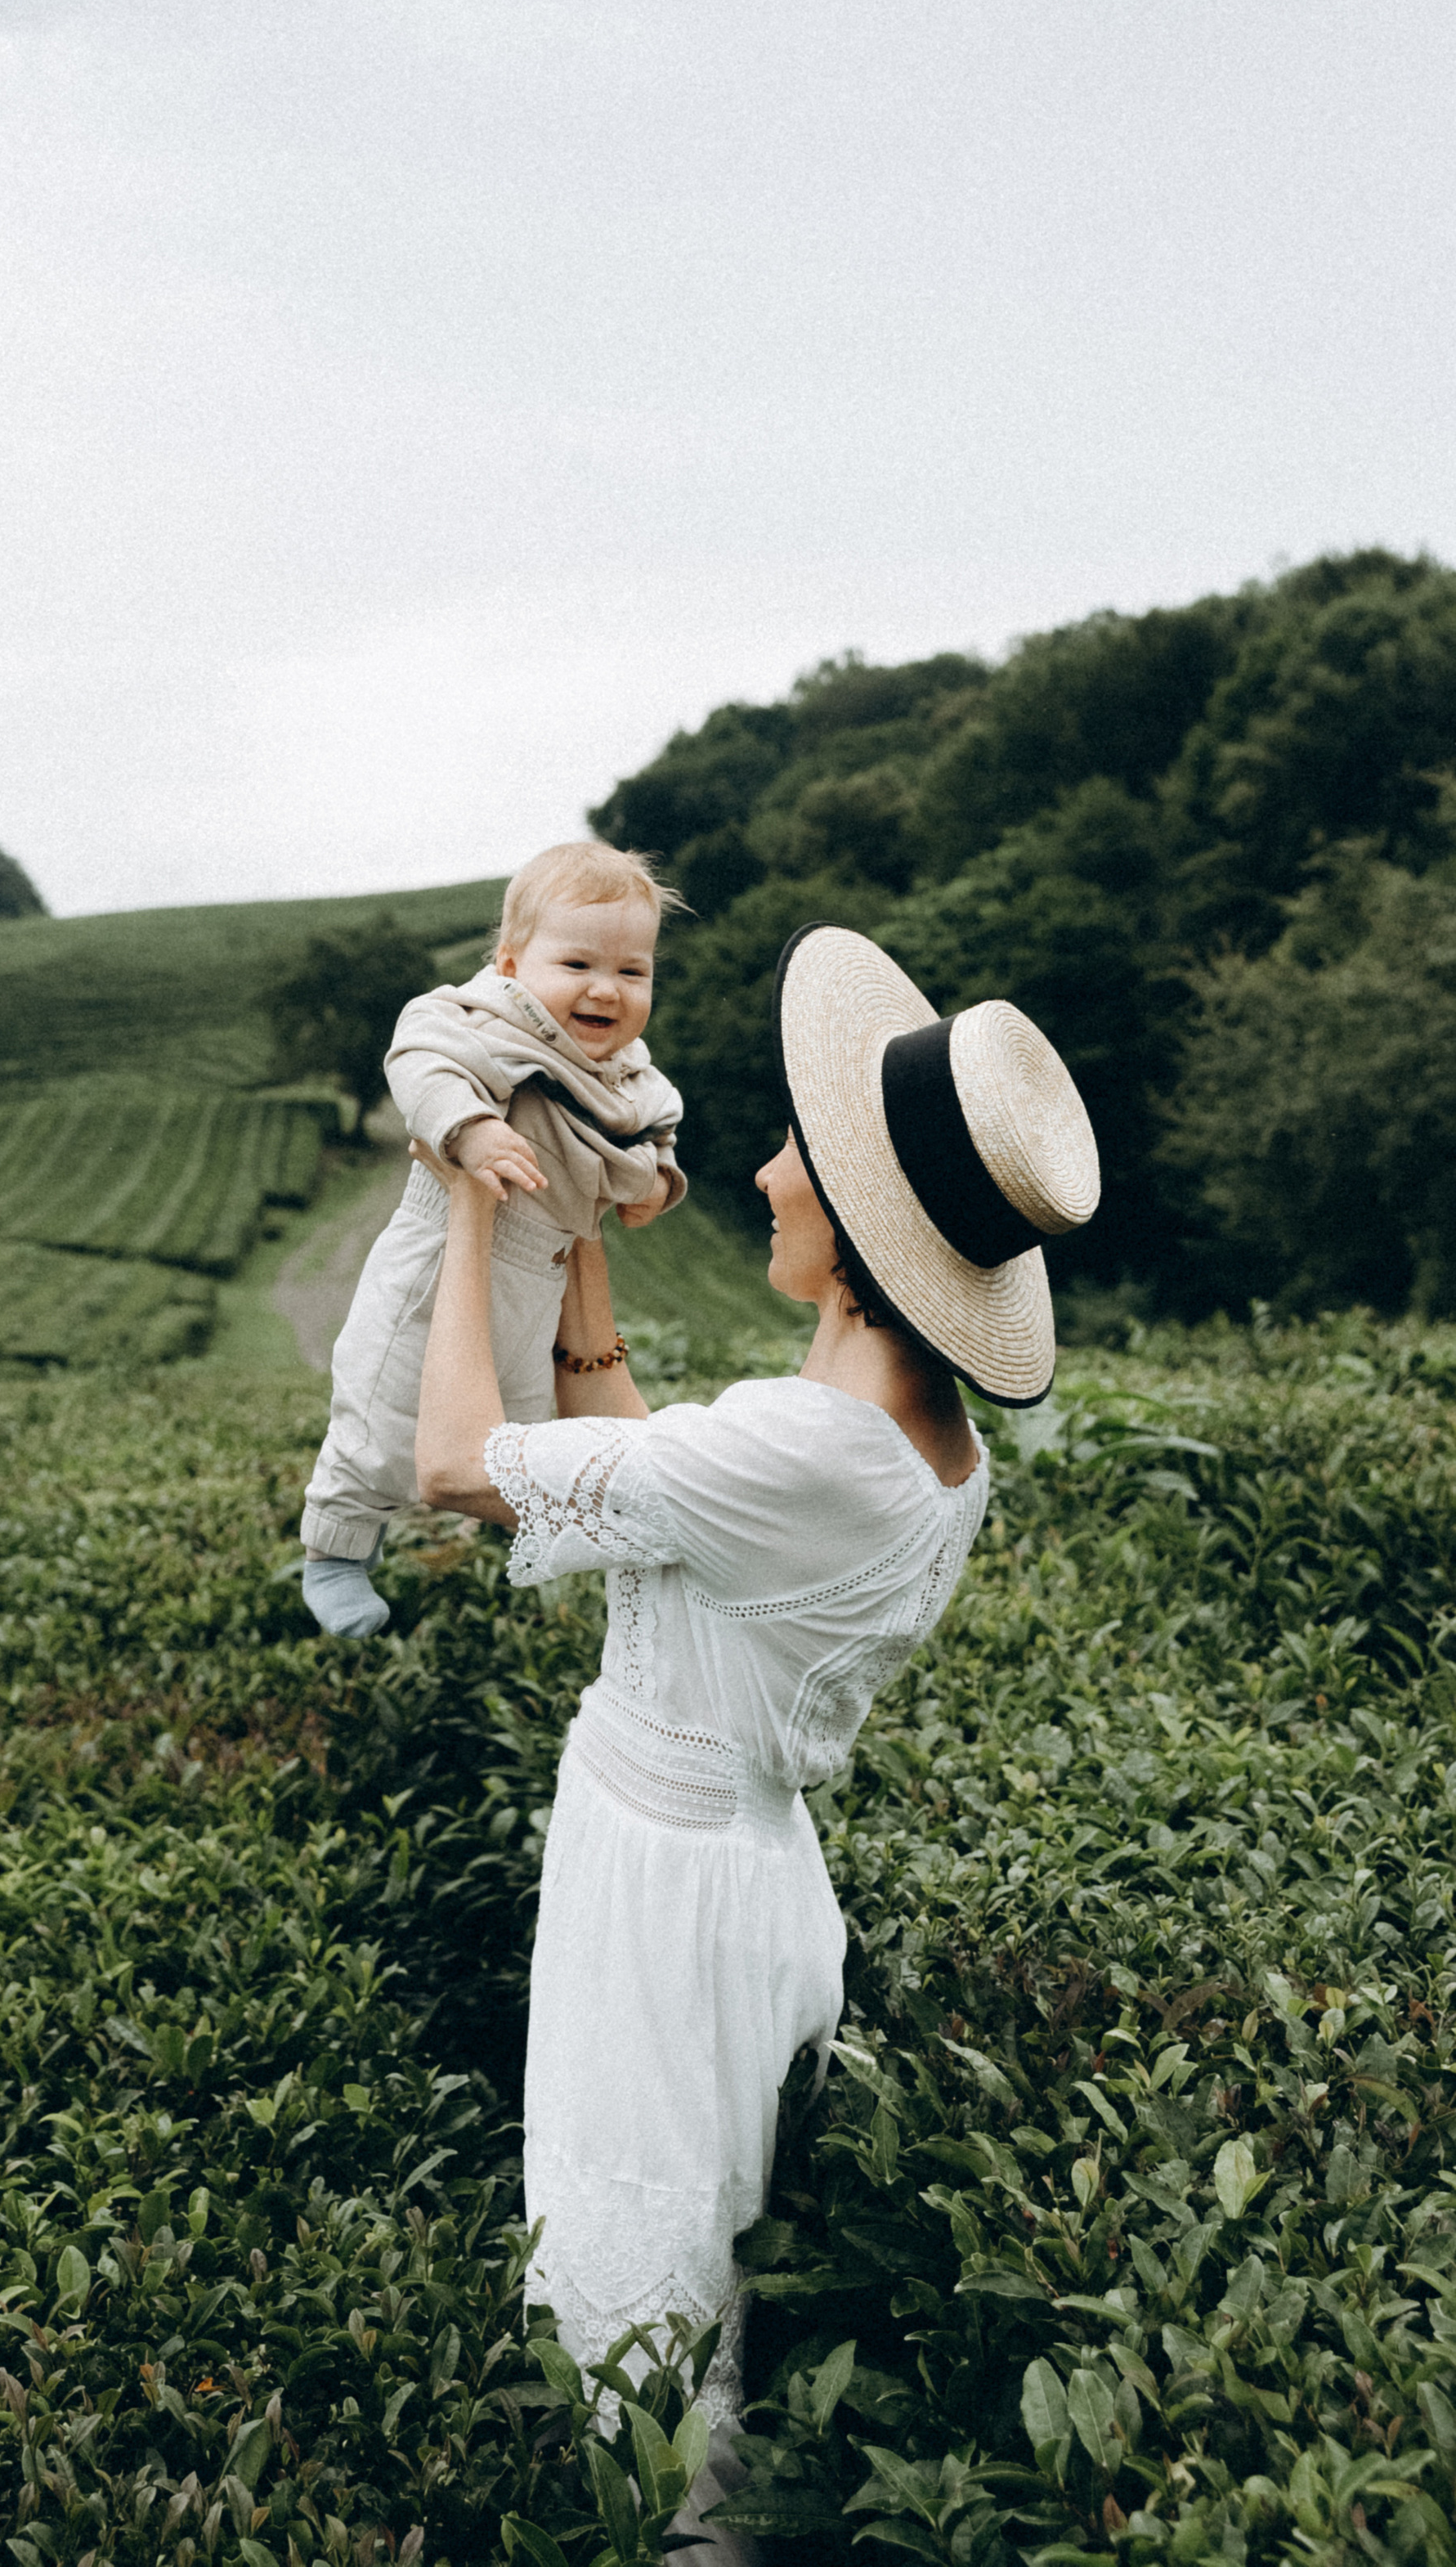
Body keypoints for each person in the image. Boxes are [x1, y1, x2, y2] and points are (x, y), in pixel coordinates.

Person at [410, 921, 1100, 2557]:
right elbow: (664, 1481)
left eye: (807, 1154)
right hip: (733, 1875)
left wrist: (461, 1195)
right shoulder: (904, 1444)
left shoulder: (811, 1450)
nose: (774, 1169)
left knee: (638, 2310)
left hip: (669, 1902)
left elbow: (450, 1466)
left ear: (861, 1235)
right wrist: (576, 1239)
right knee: (687, 2276)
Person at [299, 841, 687, 1640]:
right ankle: (335, 1547)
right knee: (383, 1414)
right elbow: (420, 1057)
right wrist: (470, 1129)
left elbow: (655, 1126)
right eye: (576, 962)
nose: (605, 990)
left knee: (514, 1417)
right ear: (511, 966)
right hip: (441, 1257)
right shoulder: (483, 1022)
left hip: (538, 1278)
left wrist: (657, 1184)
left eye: (632, 971)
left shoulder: (628, 1072)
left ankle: (494, 1521)